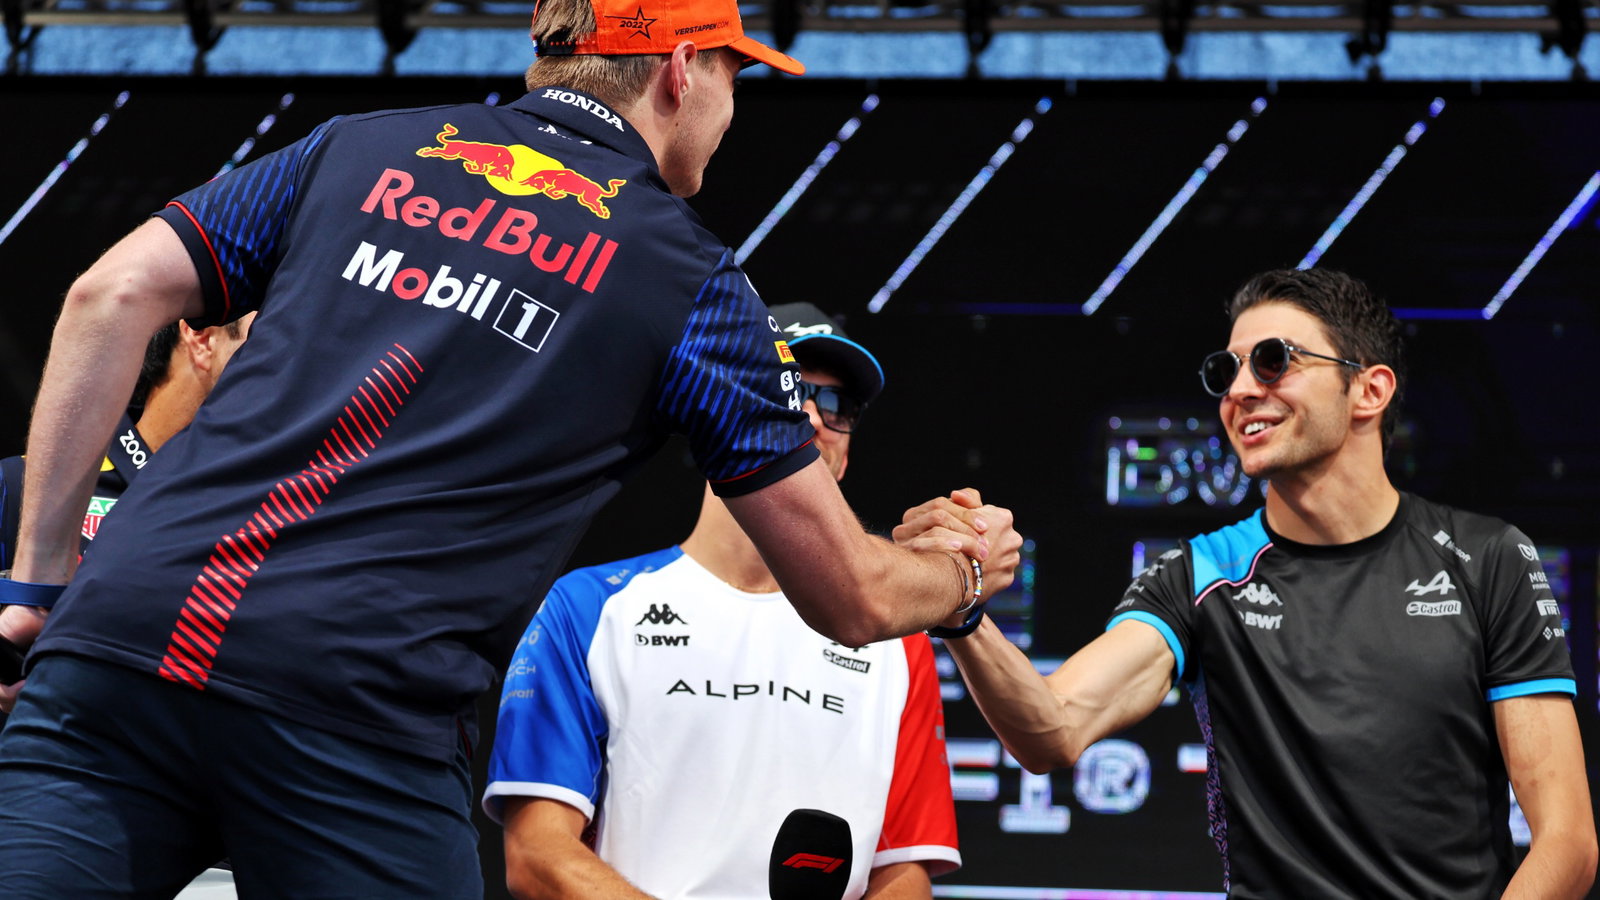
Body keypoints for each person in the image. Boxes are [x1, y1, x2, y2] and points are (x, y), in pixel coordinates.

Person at [0, 0, 1021, 894]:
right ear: (678, 71)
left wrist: (37, 584)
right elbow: (851, 596)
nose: (731, 103)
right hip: (350, 706)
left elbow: (108, 295)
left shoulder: (359, 147)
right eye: (730, 71)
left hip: (120, 641)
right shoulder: (690, 282)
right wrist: (962, 573)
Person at [898, 269, 1596, 898]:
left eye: (1273, 361)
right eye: (1226, 370)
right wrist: (964, 612)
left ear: (1370, 390)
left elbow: (1567, 841)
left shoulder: (1488, 559)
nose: (1238, 391)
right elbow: (1053, 729)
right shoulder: (1201, 575)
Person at [485, 302, 960, 900]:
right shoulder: (588, 609)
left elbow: (904, 872)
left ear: (845, 452)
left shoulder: (900, 642)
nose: (812, 415)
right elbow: (536, 856)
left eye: (837, 405)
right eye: (788, 388)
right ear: (715, 409)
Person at [0, 316, 253, 574]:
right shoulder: (25, 486)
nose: (283, 355)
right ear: (202, 337)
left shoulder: (273, 512)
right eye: (265, 333)